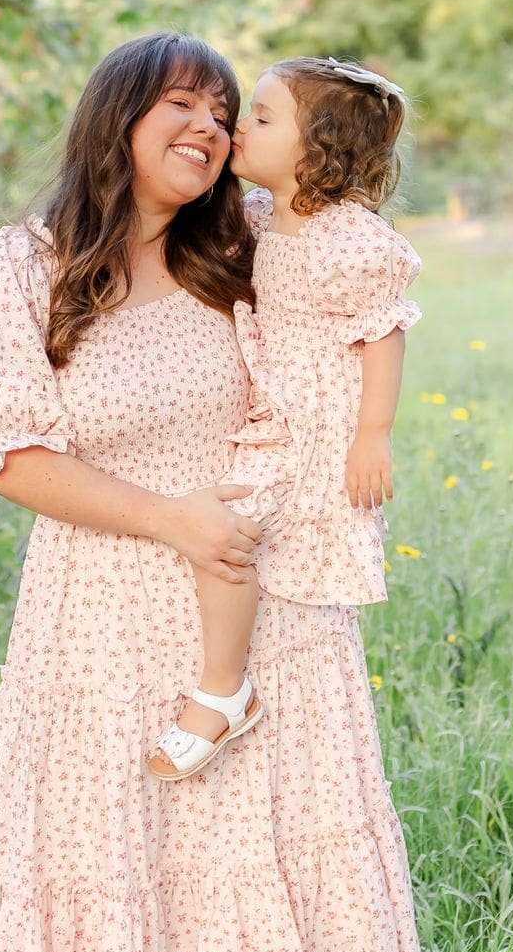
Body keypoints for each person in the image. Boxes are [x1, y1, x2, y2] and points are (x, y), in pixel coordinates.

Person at [0, 33, 426, 952]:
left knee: (230, 880)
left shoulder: (251, 236)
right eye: (181, 104)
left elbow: (366, 287)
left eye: (226, 108)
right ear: (118, 118)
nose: (211, 125)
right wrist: (166, 517)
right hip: (98, 619)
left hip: (255, 611)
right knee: (70, 870)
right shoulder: (27, 261)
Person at [146, 57, 420, 783]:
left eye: (262, 118)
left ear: (316, 149)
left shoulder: (347, 240)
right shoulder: (267, 217)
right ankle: (223, 679)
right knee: (227, 525)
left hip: (316, 430)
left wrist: (373, 434)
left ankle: (222, 690)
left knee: (225, 531)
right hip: (277, 413)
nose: (237, 125)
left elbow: (383, 332)